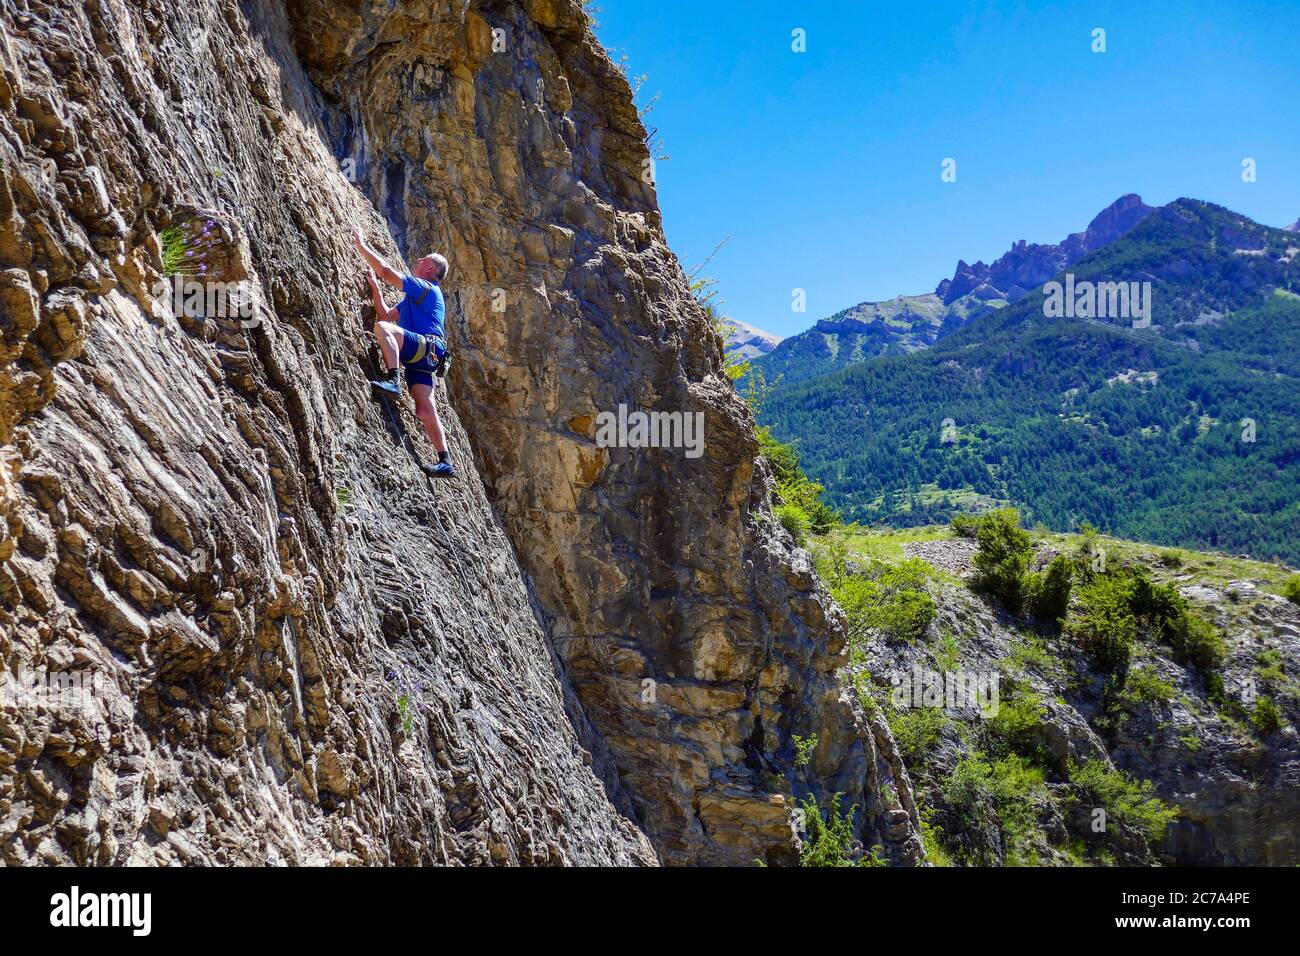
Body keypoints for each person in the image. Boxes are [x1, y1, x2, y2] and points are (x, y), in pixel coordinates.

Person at [351, 226, 454, 478]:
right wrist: (375, 290)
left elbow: (386, 271)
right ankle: (445, 460)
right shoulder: (416, 299)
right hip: (429, 356)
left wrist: (361, 245)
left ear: (430, 269)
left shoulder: (425, 288)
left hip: (424, 346)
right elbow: (387, 313)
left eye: (424, 260)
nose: (419, 261)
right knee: (424, 408)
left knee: (382, 329)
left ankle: (393, 379)